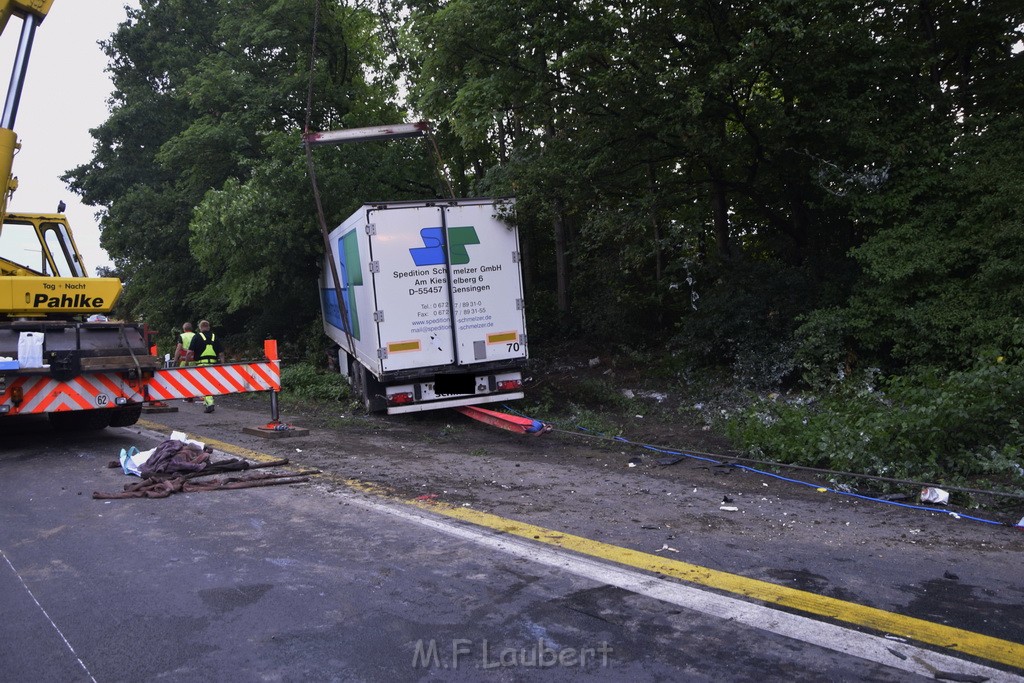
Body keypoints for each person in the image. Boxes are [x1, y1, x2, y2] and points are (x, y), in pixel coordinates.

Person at [186, 320, 225, 413]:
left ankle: (210, 403)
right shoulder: (214, 337)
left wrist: (187, 363)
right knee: (211, 382)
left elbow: (189, 352)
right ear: (209, 327)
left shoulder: (197, 337)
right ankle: (207, 402)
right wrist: (223, 364)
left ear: (200, 328)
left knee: (205, 384)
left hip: (201, 364)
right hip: (213, 364)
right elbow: (221, 353)